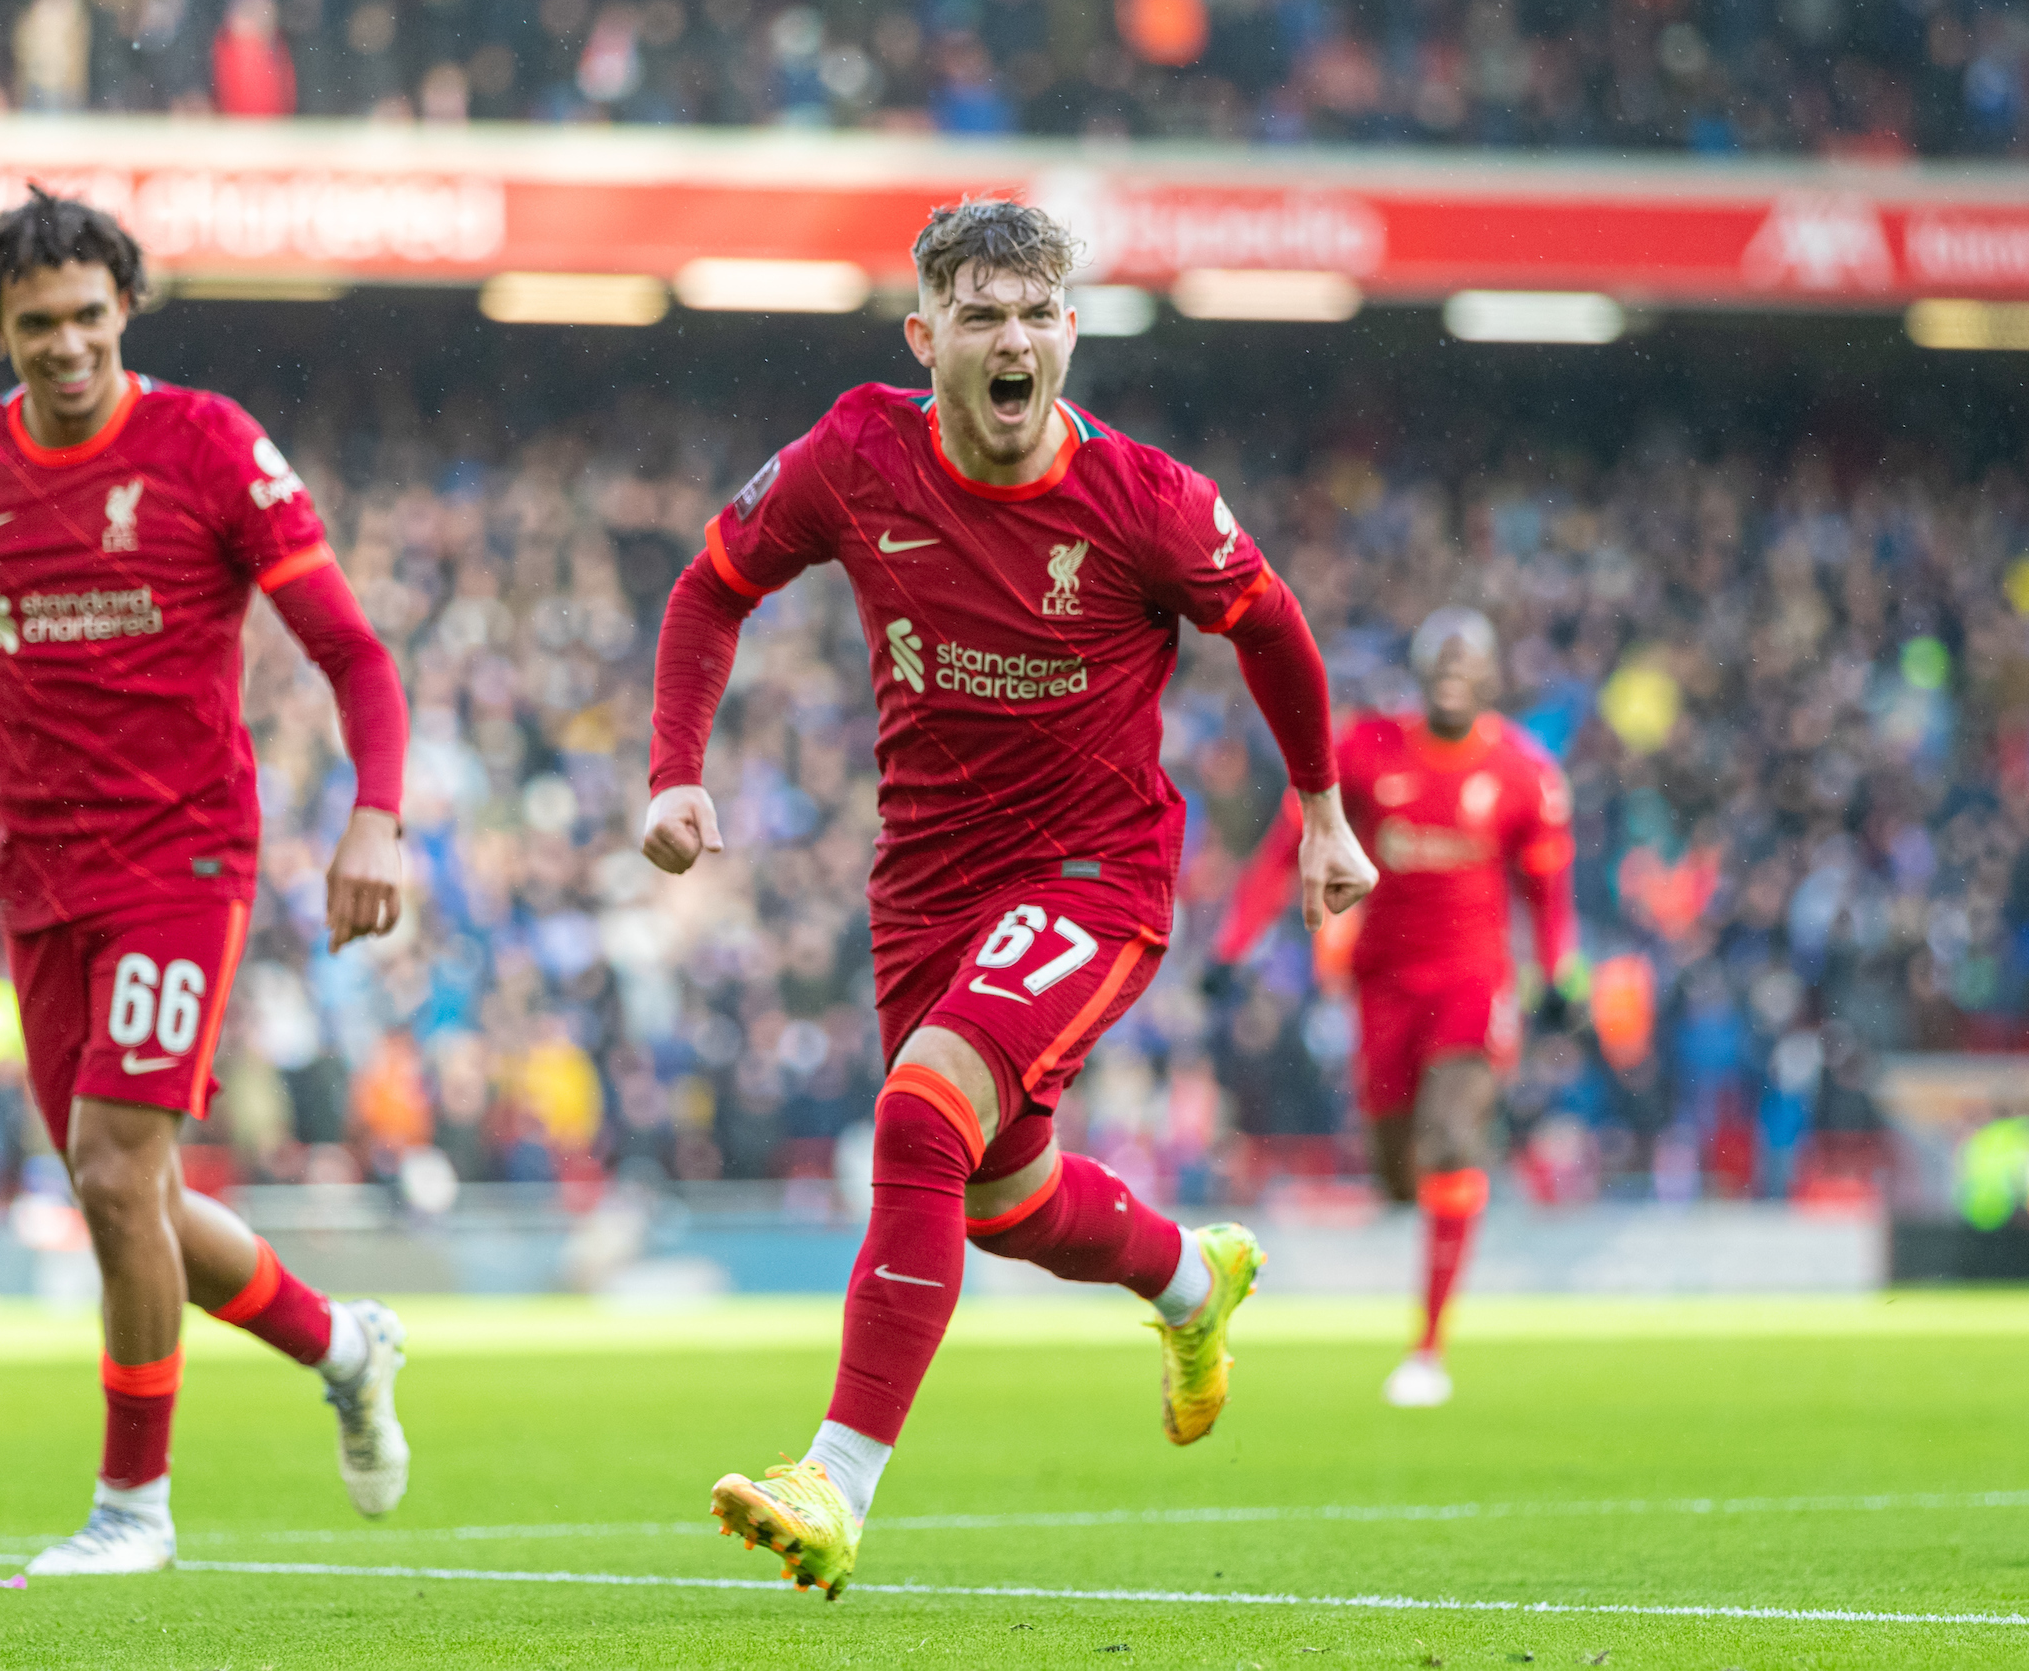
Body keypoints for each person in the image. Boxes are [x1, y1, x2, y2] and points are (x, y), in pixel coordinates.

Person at [642, 198, 1376, 1598]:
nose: (1013, 338)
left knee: (921, 1111)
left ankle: (836, 1477)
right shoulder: (856, 452)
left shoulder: (1145, 500)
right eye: (981, 313)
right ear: (926, 338)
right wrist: (676, 772)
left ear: (1071, 334)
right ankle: (1186, 1277)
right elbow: (708, 587)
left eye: (1038, 313)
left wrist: (1322, 811)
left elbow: (1270, 623)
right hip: (925, 883)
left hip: (1094, 871)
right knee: (999, 1193)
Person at [0, 187, 413, 1575]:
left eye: (90, 316)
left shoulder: (209, 446)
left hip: (183, 856)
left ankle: (134, 1509)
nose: (67, 346)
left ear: (127, 310)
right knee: (134, 1194)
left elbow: (353, 650)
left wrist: (377, 815)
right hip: (37, 875)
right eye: (36, 323)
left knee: (113, 1171)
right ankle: (343, 1343)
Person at [1213, 607, 1583, 1408]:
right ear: (1419, 671)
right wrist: (1232, 946)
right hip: (1382, 984)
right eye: (1439, 657)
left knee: (1452, 1137)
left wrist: (1559, 978)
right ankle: (1449, 1201)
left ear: (1492, 679)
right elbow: (1288, 849)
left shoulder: (1526, 774)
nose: (1453, 668)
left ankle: (1428, 1347)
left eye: (1469, 659)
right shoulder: (1366, 748)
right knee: (1394, 1174)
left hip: (1473, 982)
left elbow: (1551, 898)